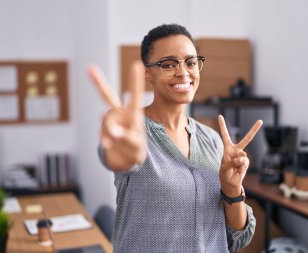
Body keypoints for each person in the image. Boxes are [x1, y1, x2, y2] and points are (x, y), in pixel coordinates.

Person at [88, 23, 263, 253]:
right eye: (168, 64)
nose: (183, 72)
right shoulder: (133, 131)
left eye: (191, 62)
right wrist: (118, 153)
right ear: (147, 74)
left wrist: (232, 189)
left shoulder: (212, 139)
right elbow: (116, 156)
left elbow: (236, 237)